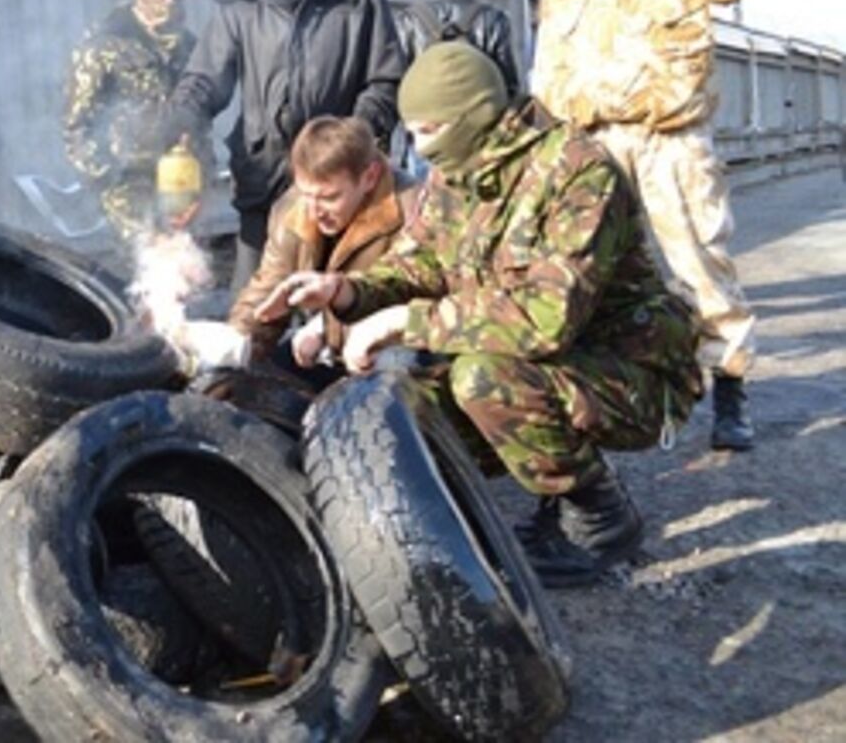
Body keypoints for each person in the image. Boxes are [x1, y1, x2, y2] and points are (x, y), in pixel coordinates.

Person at [256, 43, 703, 588]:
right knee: (402, 406)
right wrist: (343, 291)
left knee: (482, 378)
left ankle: (599, 517)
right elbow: (420, 264)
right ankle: (528, 504)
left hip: (628, 373)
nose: (416, 147)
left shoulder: (580, 174)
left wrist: (403, 322)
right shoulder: (459, 172)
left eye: (428, 129)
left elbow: (544, 318)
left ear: (472, 118)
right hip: (544, 365)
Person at [530, 0, 760, 451]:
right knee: (591, 267)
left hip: (670, 136)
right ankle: (622, 389)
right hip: (596, 135)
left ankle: (730, 390)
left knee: (700, 263)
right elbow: (550, 46)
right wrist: (552, 129)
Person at [171, 0, 404, 295]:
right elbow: (206, 78)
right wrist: (179, 117)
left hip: (338, 187)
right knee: (255, 303)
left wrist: (347, 140)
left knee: (340, 302)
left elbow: (386, 80)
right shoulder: (241, 5)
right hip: (264, 175)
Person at [215, 116, 422, 376]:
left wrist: (324, 328)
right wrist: (232, 349)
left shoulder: (416, 210)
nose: (314, 212)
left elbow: (417, 301)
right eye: (306, 194)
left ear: (370, 177)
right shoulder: (293, 210)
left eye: (329, 198)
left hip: (399, 356)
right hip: (330, 349)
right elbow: (267, 291)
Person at [63, 0, 208, 241]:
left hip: (180, 183)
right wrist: (107, 178)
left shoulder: (191, 47)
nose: (169, 3)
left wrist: (202, 176)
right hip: (127, 187)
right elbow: (76, 126)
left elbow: (201, 117)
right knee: (145, 269)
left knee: (186, 267)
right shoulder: (105, 44)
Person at [392, 0, 521, 175]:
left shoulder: (409, 20)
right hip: (473, 138)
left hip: (422, 134)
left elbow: (393, 81)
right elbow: (508, 86)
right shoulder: (493, 20)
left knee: (425, 204)